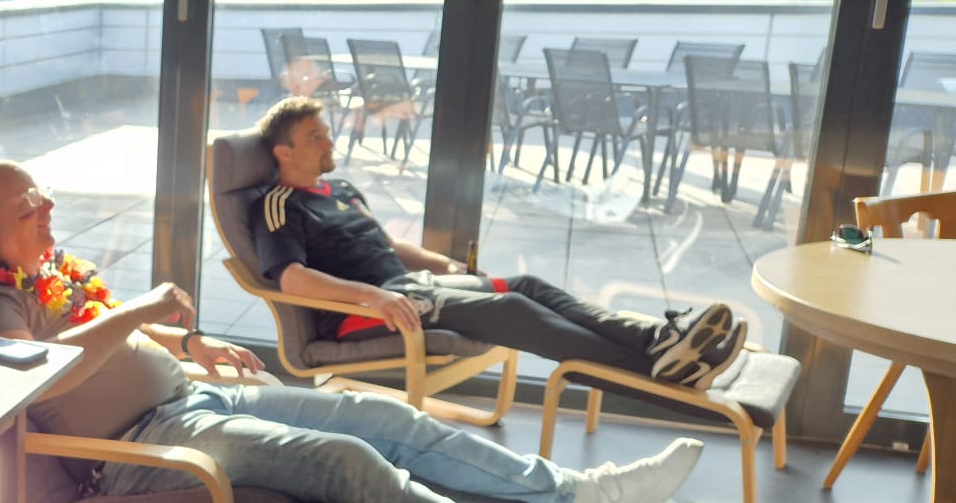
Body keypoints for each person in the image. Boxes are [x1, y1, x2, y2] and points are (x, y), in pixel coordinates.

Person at [0, 159, 705, 503]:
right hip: (135, 455)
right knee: (343, 462)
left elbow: (109, 330)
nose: (48, 208)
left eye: (45, 196)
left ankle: (584, 494)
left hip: (192, 400)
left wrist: (188, 343)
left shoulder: (49, 271)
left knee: (378, 415)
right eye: (30, 205)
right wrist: (144, 311)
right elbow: (39, 375)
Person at [248, 96, 749, 388]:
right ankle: (659, 369)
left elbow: (387, 246)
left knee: (525, 285)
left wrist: (445, 265)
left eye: (325, 132)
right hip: (364, 313)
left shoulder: (340, 189)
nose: (329, 141)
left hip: (410, 287)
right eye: (315, 137)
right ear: (283, 152)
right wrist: (373, 297)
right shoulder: (280, 205)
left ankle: (656, 339)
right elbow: (292, 278)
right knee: (511, 311)